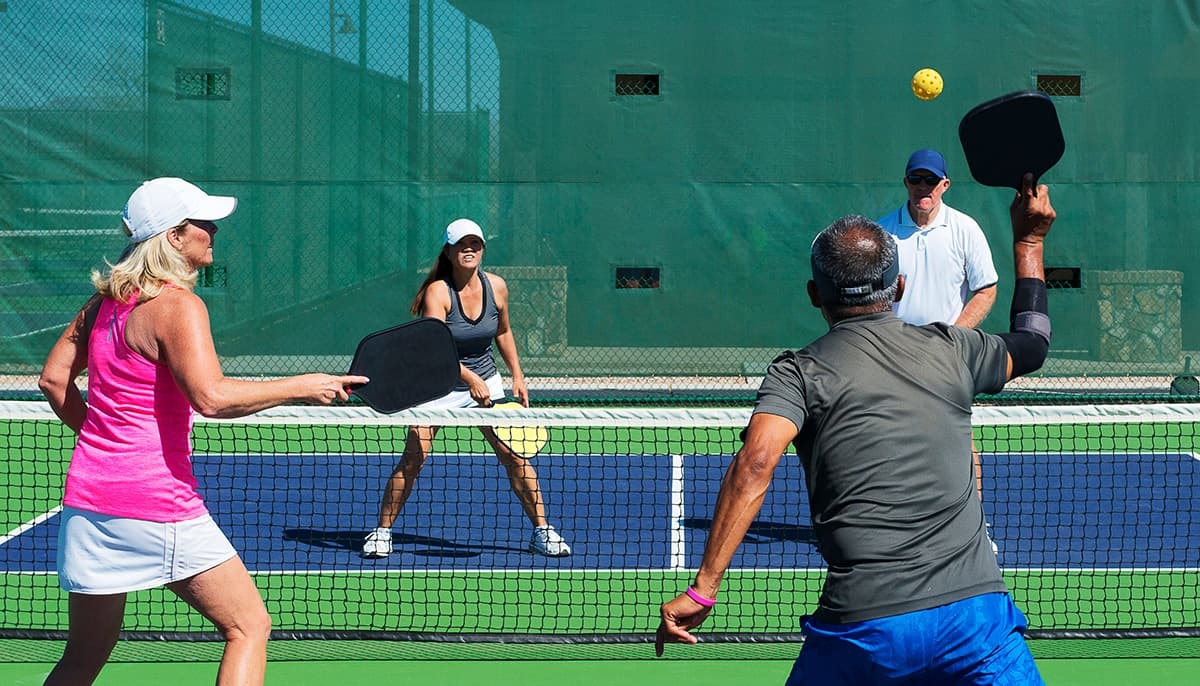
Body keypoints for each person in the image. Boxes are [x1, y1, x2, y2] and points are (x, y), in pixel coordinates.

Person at [656, 174, 1055, 685]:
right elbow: (1034, 341)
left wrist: (702, 590)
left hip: (864, 631)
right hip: (976, 623)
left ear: (812, 294)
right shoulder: (955, 349)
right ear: (901, 286)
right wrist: (1028, 242)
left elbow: (756, 463)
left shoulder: (797, 372)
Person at [37, 177, 367, 686]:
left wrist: (103, 438)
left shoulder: (101, 306)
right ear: (172, 236)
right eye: (202, 224)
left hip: (88, 501)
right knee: (249, 625)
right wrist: (301, 385)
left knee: (83, 658)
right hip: (156, 504)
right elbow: (210, 397)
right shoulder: (179, 306)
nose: (212, 231)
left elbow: (54, 380)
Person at [362, 218, 571, 559]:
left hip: (485, 380)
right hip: (437, 385)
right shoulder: (438, 293)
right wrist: (468, 379)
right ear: (449, 250)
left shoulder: (497, 287)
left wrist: (517, 375)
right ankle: (382, 532)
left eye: (475, 243)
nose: (469, 249)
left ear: (483, 249)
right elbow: (434, 349)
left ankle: (542, 531)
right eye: (462, 244)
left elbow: (503, 332)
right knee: (415, 457)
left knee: (514, 456)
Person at [880, 148, 1001, 550]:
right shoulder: (883, 234)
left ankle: (973, 530)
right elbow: (875, 296)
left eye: (931, 181)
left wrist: (956, 335)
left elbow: (986, 288)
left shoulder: (965, 229)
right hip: (895, 357)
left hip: (949, 355)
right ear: (906, 183)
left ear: (944, 185)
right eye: (916, 180)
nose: (923, 189)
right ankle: (896, 527)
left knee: (958, 441)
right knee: (890, 441)